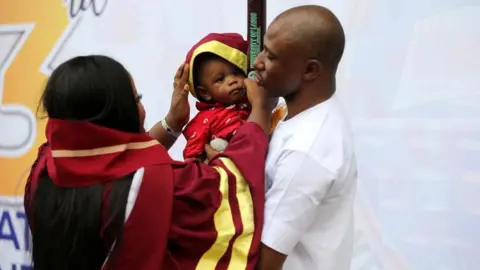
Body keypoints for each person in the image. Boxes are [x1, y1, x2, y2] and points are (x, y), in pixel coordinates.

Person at [24, 55, 270, 270]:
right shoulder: (162, 186)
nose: (142, 109)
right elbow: (232, 184)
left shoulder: (44, 169)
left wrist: (172, 124)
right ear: (117, 112)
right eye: (136, 99)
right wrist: (260, 108)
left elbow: (115, 161)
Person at [255, 5, 357, 270]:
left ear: (310, 71)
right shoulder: (302, 114)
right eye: (264, 49)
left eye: (272, 56)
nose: (258, 62)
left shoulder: (306, 149)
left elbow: (266, 261)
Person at [182, 33, 251, 161]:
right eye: (220, 79)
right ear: (205, 93)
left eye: (236, 72)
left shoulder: (254, 101)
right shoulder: (206, 118)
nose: (232, 81)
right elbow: (193, 151)